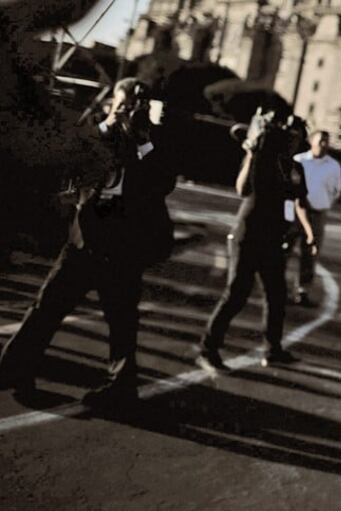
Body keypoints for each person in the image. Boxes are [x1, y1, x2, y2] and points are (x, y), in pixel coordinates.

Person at [0, 78, 177, 409]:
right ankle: (14, 369)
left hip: (123, 244)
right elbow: (72, 160)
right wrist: (111, 124)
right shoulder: (96, 132)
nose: (129, 112)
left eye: (135, 108)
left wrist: (143, 139)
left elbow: (164, 183)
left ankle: (121, 387)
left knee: (121, 319)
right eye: (123, 105)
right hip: (85, 238)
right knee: (46, 306)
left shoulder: (151, 141)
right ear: (112, 103)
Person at [196, 110, 316, 372]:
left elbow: (296, 202)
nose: (294, 141)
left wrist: (302, 230)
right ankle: (208, 347)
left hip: (272, 239)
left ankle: (272, 350)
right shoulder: (263, 158)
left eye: (298, 137)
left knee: (276, 295)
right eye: (291, 136)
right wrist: (251, 152)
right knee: (237, 293)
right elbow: (242, 189)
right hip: (248, 234)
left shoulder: (295, 168)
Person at [290, 129, 341, 306]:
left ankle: (302, 291)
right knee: (285, 248)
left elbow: (336, 190)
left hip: (317, 213)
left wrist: (323, 203)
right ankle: (276, 286)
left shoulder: (333, 166)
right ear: (311, 141)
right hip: (295, 212)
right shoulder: (299, 161)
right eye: (320, 141)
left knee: (310, 253)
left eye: (326, 141)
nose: (324, 145)